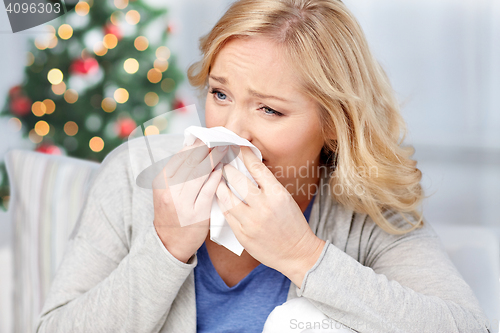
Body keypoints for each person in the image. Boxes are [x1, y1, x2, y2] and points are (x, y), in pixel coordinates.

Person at [36, 0, 491, 332]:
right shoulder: (134, 175)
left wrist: (303, 256)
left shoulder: (366, 207)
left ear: (333, 123)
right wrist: (166, 245)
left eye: (269, 110)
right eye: (220, 94)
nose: (233, 131)